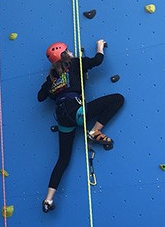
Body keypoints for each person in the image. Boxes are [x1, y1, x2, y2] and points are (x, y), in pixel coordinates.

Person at [38, 40, 124, 213]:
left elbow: (40, 97)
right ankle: (95, 130)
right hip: (77, 110)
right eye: (68, 50)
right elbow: (98, 61)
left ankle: (48, 199)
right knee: (118, 99)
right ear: (64, 54)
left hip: (63, 120)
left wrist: (51, 86)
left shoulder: (52, 77)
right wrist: (100, 46)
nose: (71, 52)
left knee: (63, 160)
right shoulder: (76, 63)